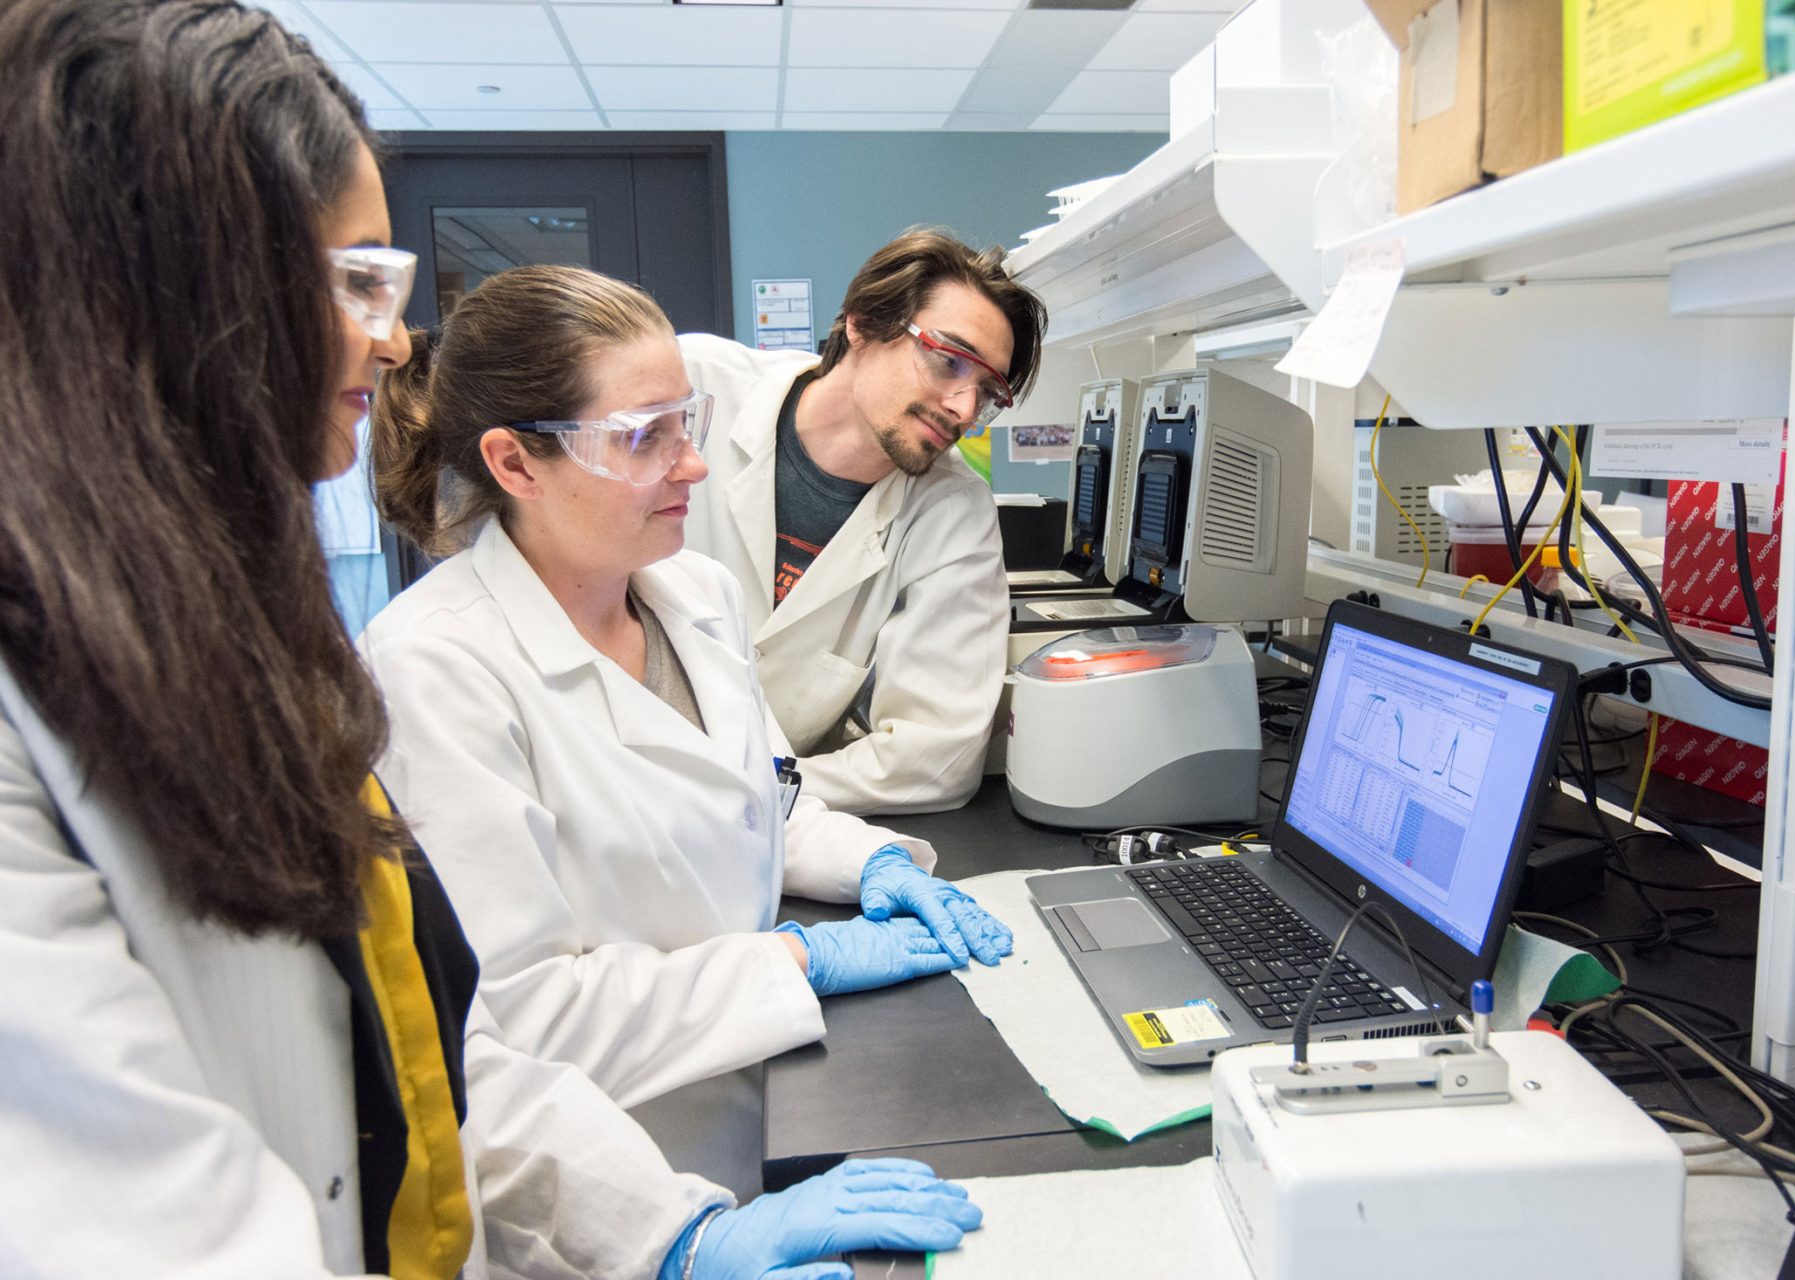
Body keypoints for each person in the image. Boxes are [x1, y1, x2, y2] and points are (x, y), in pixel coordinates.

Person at [0, 2, 981, 1276]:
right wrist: (788, 972)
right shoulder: (409, 665)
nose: (394, 335)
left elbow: (439, 1039)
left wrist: (677, 1222)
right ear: (175, 296)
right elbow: (157, 1217)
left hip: (655, 1155)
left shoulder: (251, 645)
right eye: (353, 281)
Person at [362, 263, 1016, 1197]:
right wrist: (801, 957)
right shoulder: (435, 669)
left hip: (770, 1094)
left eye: (687, 423)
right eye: (642, 438)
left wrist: (876, 862)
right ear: (515, 464)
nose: (695, 466)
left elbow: (765, 802)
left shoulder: (693, 595)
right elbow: (522, 1020)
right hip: (605, 1173)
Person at [679, 231, 1048, 815]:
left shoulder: (952, 509)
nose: (963, 408)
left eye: (986, 391)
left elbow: (936, 761)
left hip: (766, 831)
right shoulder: (693, 387)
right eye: (948, 360)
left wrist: (741, 799)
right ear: (863, 322)